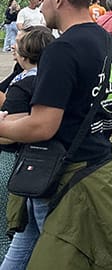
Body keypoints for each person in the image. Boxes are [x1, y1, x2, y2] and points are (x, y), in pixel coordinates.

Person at [0, 0, 112, 270]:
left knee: (56, 256)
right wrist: (90, 126)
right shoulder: (110, 43)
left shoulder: (62, 49)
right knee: (27, 247)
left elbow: (42, 126)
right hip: (97, 167)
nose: (41, 7)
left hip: (61, 174)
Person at [0, 28, 55, 258]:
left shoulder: (23, 85)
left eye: (18, 43)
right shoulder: (51, 79)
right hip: (42, 163)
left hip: (12, 160)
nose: (13, 46)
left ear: (25, 54)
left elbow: (11, 133)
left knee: (8, 230)